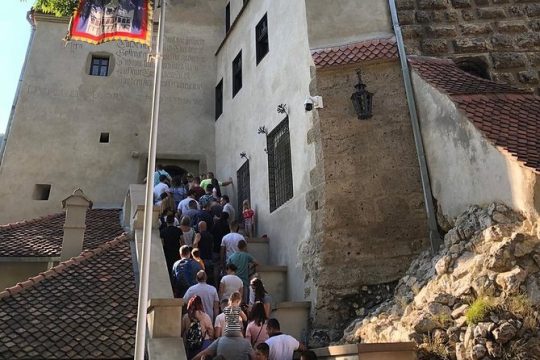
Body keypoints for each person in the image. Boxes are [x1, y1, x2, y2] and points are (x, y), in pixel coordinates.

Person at [193, 221, 215, 285]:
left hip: (201, 260)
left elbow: (194, 246)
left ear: (199, 227)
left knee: (201, 279)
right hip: (210, 258)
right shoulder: (211, 235)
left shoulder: (198, 235)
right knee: (209, 278)